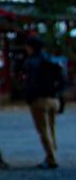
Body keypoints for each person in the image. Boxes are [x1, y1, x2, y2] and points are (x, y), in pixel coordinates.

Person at [24, 36, 65, 169]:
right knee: (51, 129)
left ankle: (51, 157)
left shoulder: (31, 63)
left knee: (43, 130)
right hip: (54, 98)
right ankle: (52, 154)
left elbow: (29, 82)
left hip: (39, 99)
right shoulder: (50, 60)